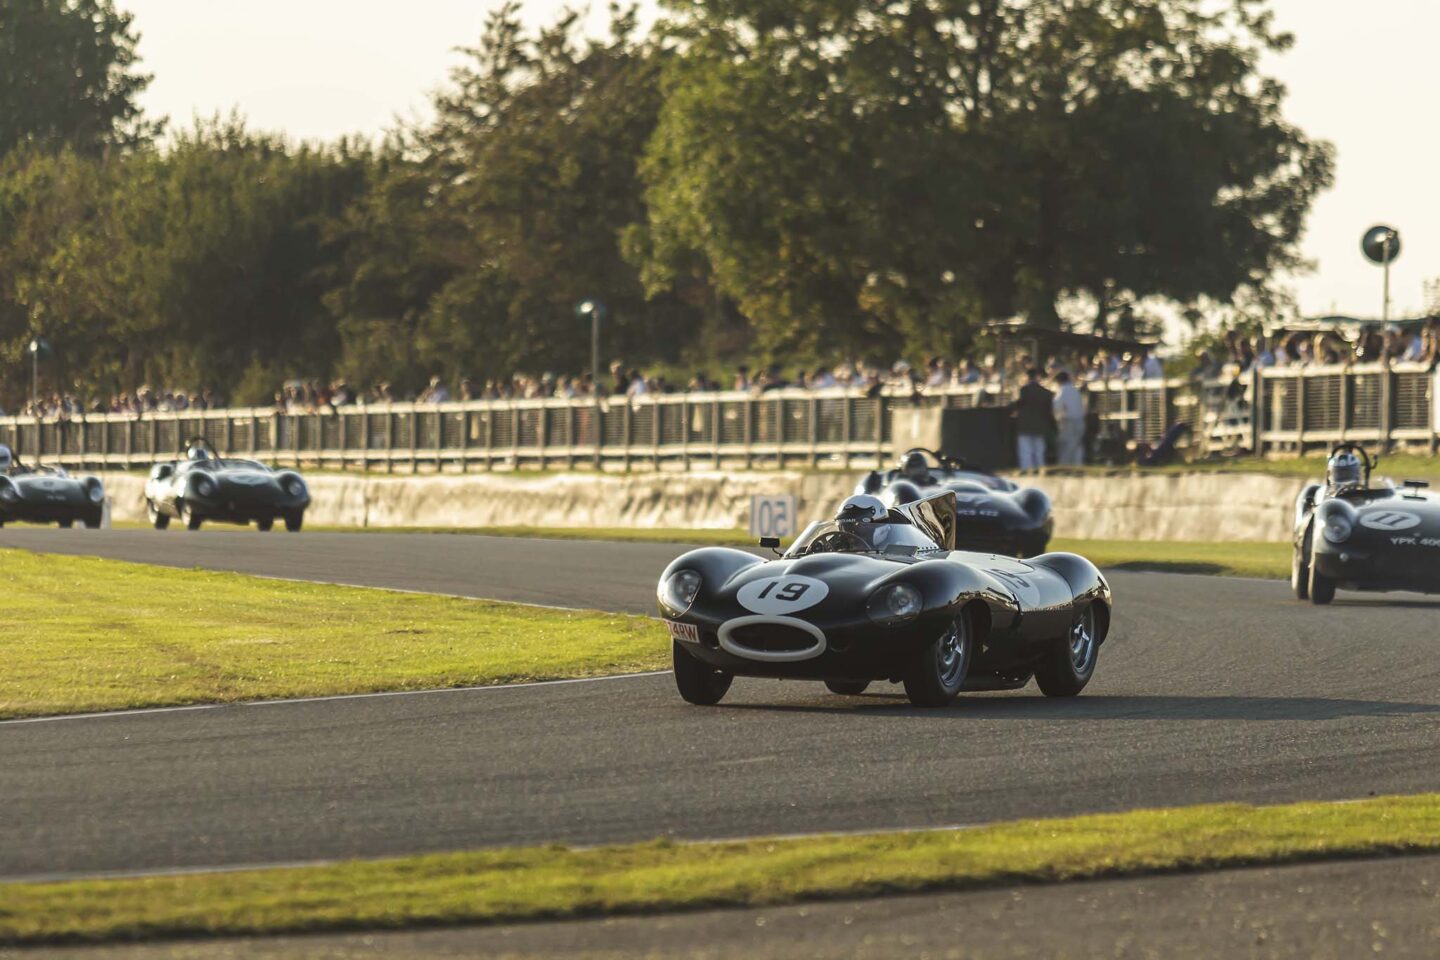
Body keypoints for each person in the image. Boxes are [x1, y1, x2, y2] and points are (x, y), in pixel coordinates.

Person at [1011, 368, 1054, 470]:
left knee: (1025, 450)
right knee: (1039, 450)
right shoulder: (1046, 393)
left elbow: (1017, 404)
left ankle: (1026, 470)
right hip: (1040, 425)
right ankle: (1040, 469)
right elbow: (1049, 410)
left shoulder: (1024, 390)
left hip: (1025, 425)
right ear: (1038, 377)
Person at [1052, 371, 1086, 466]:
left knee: (1066, 445)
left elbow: (1057, 407)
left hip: (1067, 421)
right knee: (1077, 444)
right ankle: (1078, 465)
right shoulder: (1075, 391)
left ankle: (1065, 466)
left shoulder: (1062, 391)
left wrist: (1057, 418)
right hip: (1080, 420)